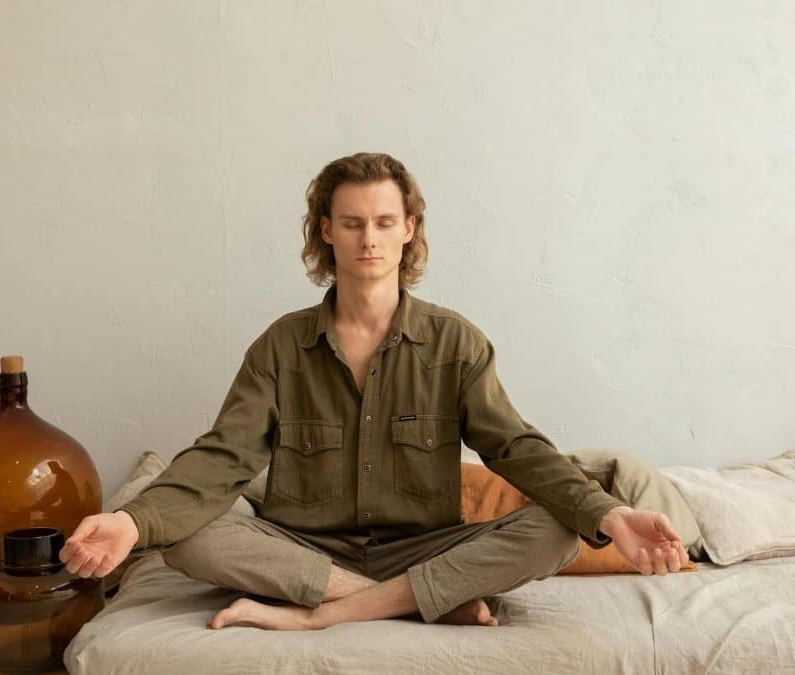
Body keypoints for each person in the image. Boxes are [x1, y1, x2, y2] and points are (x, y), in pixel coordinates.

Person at [59, 152, 690, 631]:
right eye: (353, 223)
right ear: (326, 231)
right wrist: (129, 522)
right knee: (183, 533)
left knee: (558, 530)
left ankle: (322, 614)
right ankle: (402, 601)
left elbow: (517, 449)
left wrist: (609, 513)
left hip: (425, 545)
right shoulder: (280, 348)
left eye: (385, 222)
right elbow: (224, 458)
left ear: (409, 229)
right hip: (306, 549)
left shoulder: (455, 343)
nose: (369, 239)